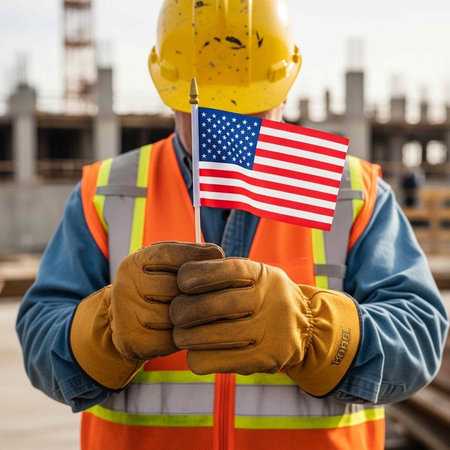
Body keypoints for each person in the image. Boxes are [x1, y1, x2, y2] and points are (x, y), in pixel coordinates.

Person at [16, 1, 448, 449]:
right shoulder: (108, 193)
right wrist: (102, 331)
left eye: (249, 108)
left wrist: (312, 331)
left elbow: (418, 337)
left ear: (285, 88)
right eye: (204, 110)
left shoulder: (350, 192)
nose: (226, 130)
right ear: (169, 92)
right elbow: (39, 335)